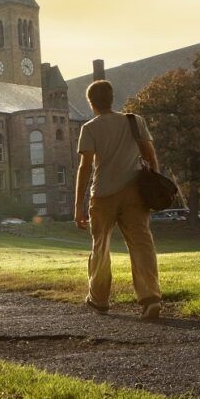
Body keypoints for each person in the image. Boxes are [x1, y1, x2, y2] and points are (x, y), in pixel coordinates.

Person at [74, 78, 164, 320]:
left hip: (103, 194)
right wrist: (153, 185)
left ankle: (99, 300)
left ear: (91, 103)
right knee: (142, 244)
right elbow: (150, 155)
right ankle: (150, 298)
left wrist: (78, 206)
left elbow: (85, 168)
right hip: (134, 193)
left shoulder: (90, 128)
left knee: (100, 247)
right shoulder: (134, 121)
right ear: (112, 98)